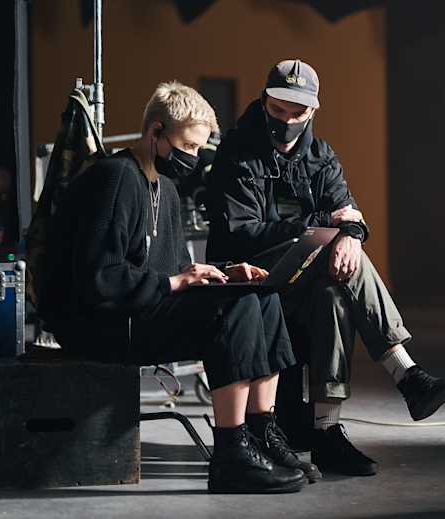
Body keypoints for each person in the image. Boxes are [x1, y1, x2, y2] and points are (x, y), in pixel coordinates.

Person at [43, 81, 320, 493]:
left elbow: (171, 271)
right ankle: (231, 454)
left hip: (139, 310)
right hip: (102, 324)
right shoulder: (116, 178)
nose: (192, 157)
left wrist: (222, 272)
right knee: (236, 309)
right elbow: (99, 278)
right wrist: (176, 281)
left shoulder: (166, 190)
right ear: (155, 131)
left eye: (198, 148)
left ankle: (261, 431)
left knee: (262, 299)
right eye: (188, 146)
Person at [207, 60, 445, 477]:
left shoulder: (321, 156)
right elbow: (242, 232)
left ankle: (326, 432)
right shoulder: (236, 154)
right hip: (252, 278)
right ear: (264, 101)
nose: (287, 121)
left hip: (305, 279)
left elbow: (351, 214)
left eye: (297, 113)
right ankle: (407, 374)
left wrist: (351, 236)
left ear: (313, 110)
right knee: (337, 257)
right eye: (277, 110)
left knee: (333, 297)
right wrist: (321, 227)